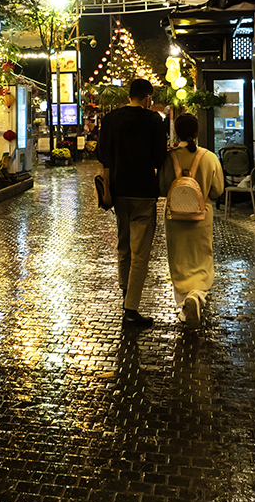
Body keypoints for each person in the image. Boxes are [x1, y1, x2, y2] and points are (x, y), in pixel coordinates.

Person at [96, 78, 167, 328]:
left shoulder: (110, 120)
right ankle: (131, 308)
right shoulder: (153, 120)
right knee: (141, 252)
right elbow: (159, 157)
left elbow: (101, 154)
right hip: (144, 191)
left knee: (123, 244)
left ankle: (126, 290)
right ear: (148, 97)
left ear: (129, 95)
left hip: (117, 191)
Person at [161, 112, 224, 328]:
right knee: (201, 257)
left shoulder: (169, 157)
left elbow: (161, 187)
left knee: (179, 259)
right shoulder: (209, 157)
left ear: (176, 132)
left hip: (174, 217)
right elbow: (217, 190)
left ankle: (185, 301)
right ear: (197, 132)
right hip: (201, 216)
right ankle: (197, 295)